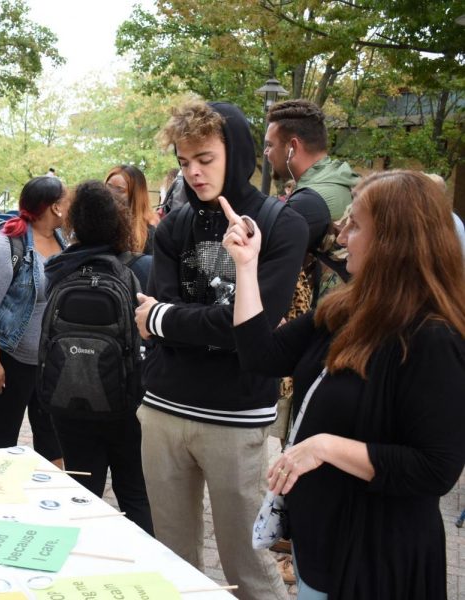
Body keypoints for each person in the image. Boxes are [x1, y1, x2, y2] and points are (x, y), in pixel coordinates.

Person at [221, 170, 465, 599]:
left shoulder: (432, 339)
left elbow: (436, 469)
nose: (341, 236)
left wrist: (324, 447)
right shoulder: (346, 308)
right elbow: (260, 355)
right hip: (322, 549)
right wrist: (246, 265)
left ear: (393, 240)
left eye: (355, 226)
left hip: (374, 564)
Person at [134, 100, 307, 600]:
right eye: (185, 161)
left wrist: (165, 320)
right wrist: (189, 321)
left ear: (236, 151)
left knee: (248, 563)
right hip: (163, 407)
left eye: (205, 158)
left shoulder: (281, 223)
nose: (193, 172)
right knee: (172, 559)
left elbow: (248, 327)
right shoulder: (171, 225)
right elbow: (164, 315)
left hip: (237, 414)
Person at [44, 180, 154, 535]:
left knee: (81, 493)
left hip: (68, 398)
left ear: (73, 221)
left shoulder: (59, 269)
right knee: (135, 494)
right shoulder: (141, 268)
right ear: (120, 220)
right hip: (127, 401)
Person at [0, 176, 66, 467]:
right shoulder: (6, 245)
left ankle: (55, 494)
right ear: (55, 207)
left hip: (48, 359)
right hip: (8, 355)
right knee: (5, 429)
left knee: (51, 429)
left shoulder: (64, 242)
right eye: (66, 200)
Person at [265, 99, 359, 298]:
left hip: (336, 317)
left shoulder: (308, 202)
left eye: (270, 145)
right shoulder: (343, 177)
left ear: (292, 147)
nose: (266, 153)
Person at [105, 164, 159, 254]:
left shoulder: (148, 234)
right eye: (109, 186)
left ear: (135, 196)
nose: (111, 193)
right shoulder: (96, 223)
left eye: (120, 189)